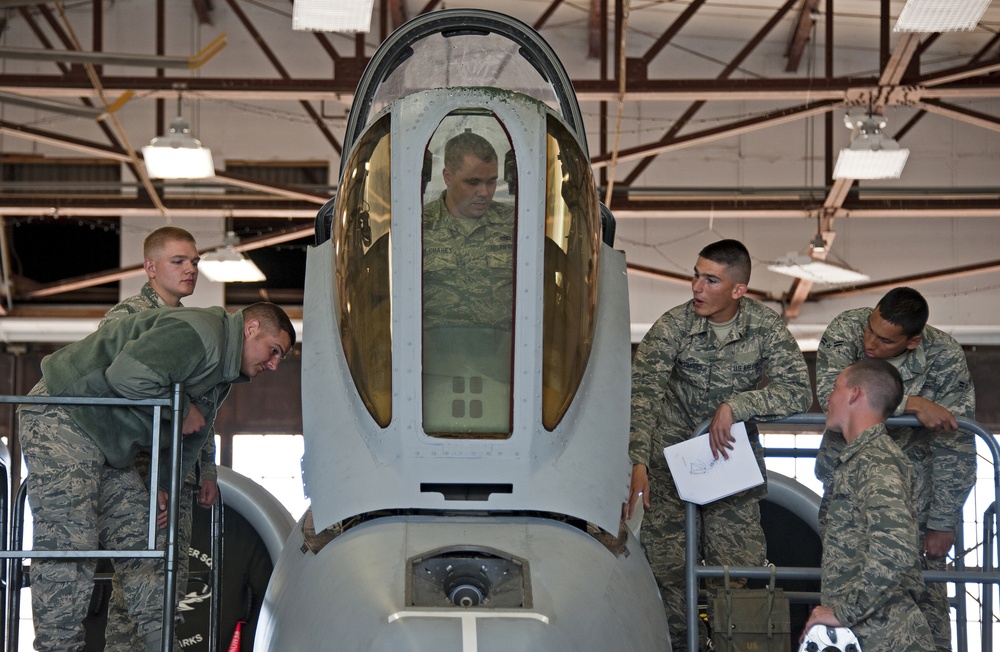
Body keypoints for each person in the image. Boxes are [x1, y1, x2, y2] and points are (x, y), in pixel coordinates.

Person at [18, 301, 295, 652]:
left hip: (107, 438)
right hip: (64, 414)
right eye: (273, 352)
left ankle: (161, 644)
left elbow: (192, 438)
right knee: (70, 541)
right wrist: (180, 409)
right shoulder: (202, 332)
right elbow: (125, 375)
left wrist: (163, 484)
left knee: (144, 538)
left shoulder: (224, 374)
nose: (273, 365)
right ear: (251, 328)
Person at [625, 238, 812, 651]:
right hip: (669, 467)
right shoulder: (672, 326)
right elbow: (643, 396)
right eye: (696, 275)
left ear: (738, 290)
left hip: (729, 468)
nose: (696, 287)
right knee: (668, 573)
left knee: (740, 574)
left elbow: (798, 391)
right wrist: (638, 461)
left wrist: (737, 404)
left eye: (711, 280)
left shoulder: (764, 328)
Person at [814, 286, 975, 650]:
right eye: (870, 328)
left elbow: (955, 438)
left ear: (913, 341)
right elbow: (831, 389)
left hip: (918, 492)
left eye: (885, 340)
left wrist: (942, 521)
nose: (870, 343)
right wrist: (912, 403)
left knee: (923, 598)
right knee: (845, 575)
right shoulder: (847, 328)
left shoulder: (944, 355)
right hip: (847, 479)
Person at [100, 226, 220, 651]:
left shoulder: (191, 324)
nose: (191, 269)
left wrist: (206, 467)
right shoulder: (127, 319)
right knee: (137, 582)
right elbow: (119, 399)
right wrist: (147, 484)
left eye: (195, 262)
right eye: (179, 261)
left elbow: (199, 404)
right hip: (140, 475)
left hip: (178, 474)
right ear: (150, 267)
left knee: (172, 581)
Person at [803, 358, 934, 652]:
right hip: (867, 633)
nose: (827, 396)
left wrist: (842, 612)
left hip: (887, 637)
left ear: (854, 394)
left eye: (835, 388)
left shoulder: (877, 461)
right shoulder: (860, 458)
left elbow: (896, 550)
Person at [422, 130, 515, 330]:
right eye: (473, 182)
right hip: (433, 354)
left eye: (491, 181)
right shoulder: (418, 227)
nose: (484, 192)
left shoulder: (517, 225)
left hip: (507, 354)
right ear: (448, 176)